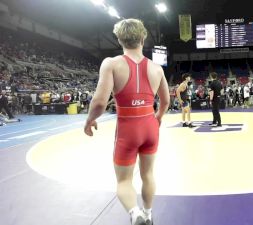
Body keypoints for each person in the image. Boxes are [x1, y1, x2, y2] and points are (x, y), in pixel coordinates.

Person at [84, 18, 170, 225]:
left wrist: (89, 120)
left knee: (124, 181)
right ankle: (148, 214)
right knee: (148, 174)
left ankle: (135, 213)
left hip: (127, 128)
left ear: (119, 39)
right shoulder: (157, 69)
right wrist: (157, 118)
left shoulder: (111, 64)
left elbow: (99, 103)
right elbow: (166, 101)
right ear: (143, 38)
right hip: (150, 126)